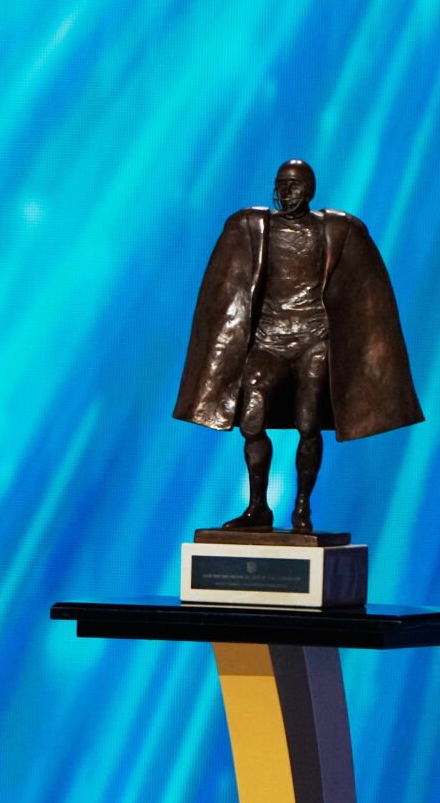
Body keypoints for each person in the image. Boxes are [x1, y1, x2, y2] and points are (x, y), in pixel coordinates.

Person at [173, 159, 420, 532]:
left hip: (313, 340)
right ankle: (258, 507)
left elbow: (366, 295)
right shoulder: (253, 227)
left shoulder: (336, 230)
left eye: (294, 185)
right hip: (269, 340)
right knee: (251, 418)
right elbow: (224, 294)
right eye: (281, 185)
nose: (286, 193)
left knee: (308, 421)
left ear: (310, 190)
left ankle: (302, 506)